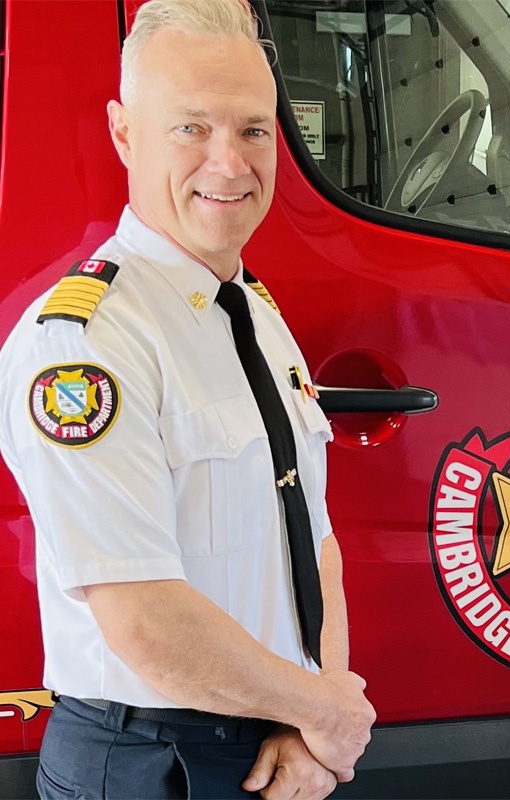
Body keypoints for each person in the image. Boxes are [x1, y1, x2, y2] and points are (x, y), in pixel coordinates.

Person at [0, 1, 375, 797]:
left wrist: (310, 721)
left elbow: (316, 539)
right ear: (124, 134)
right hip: (149, 763)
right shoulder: (84, 344)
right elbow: (144, 618)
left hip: (270, 739)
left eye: (252, 130)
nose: (230, 164)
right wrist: (325, 709)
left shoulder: (255, 314)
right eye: (191, 129)